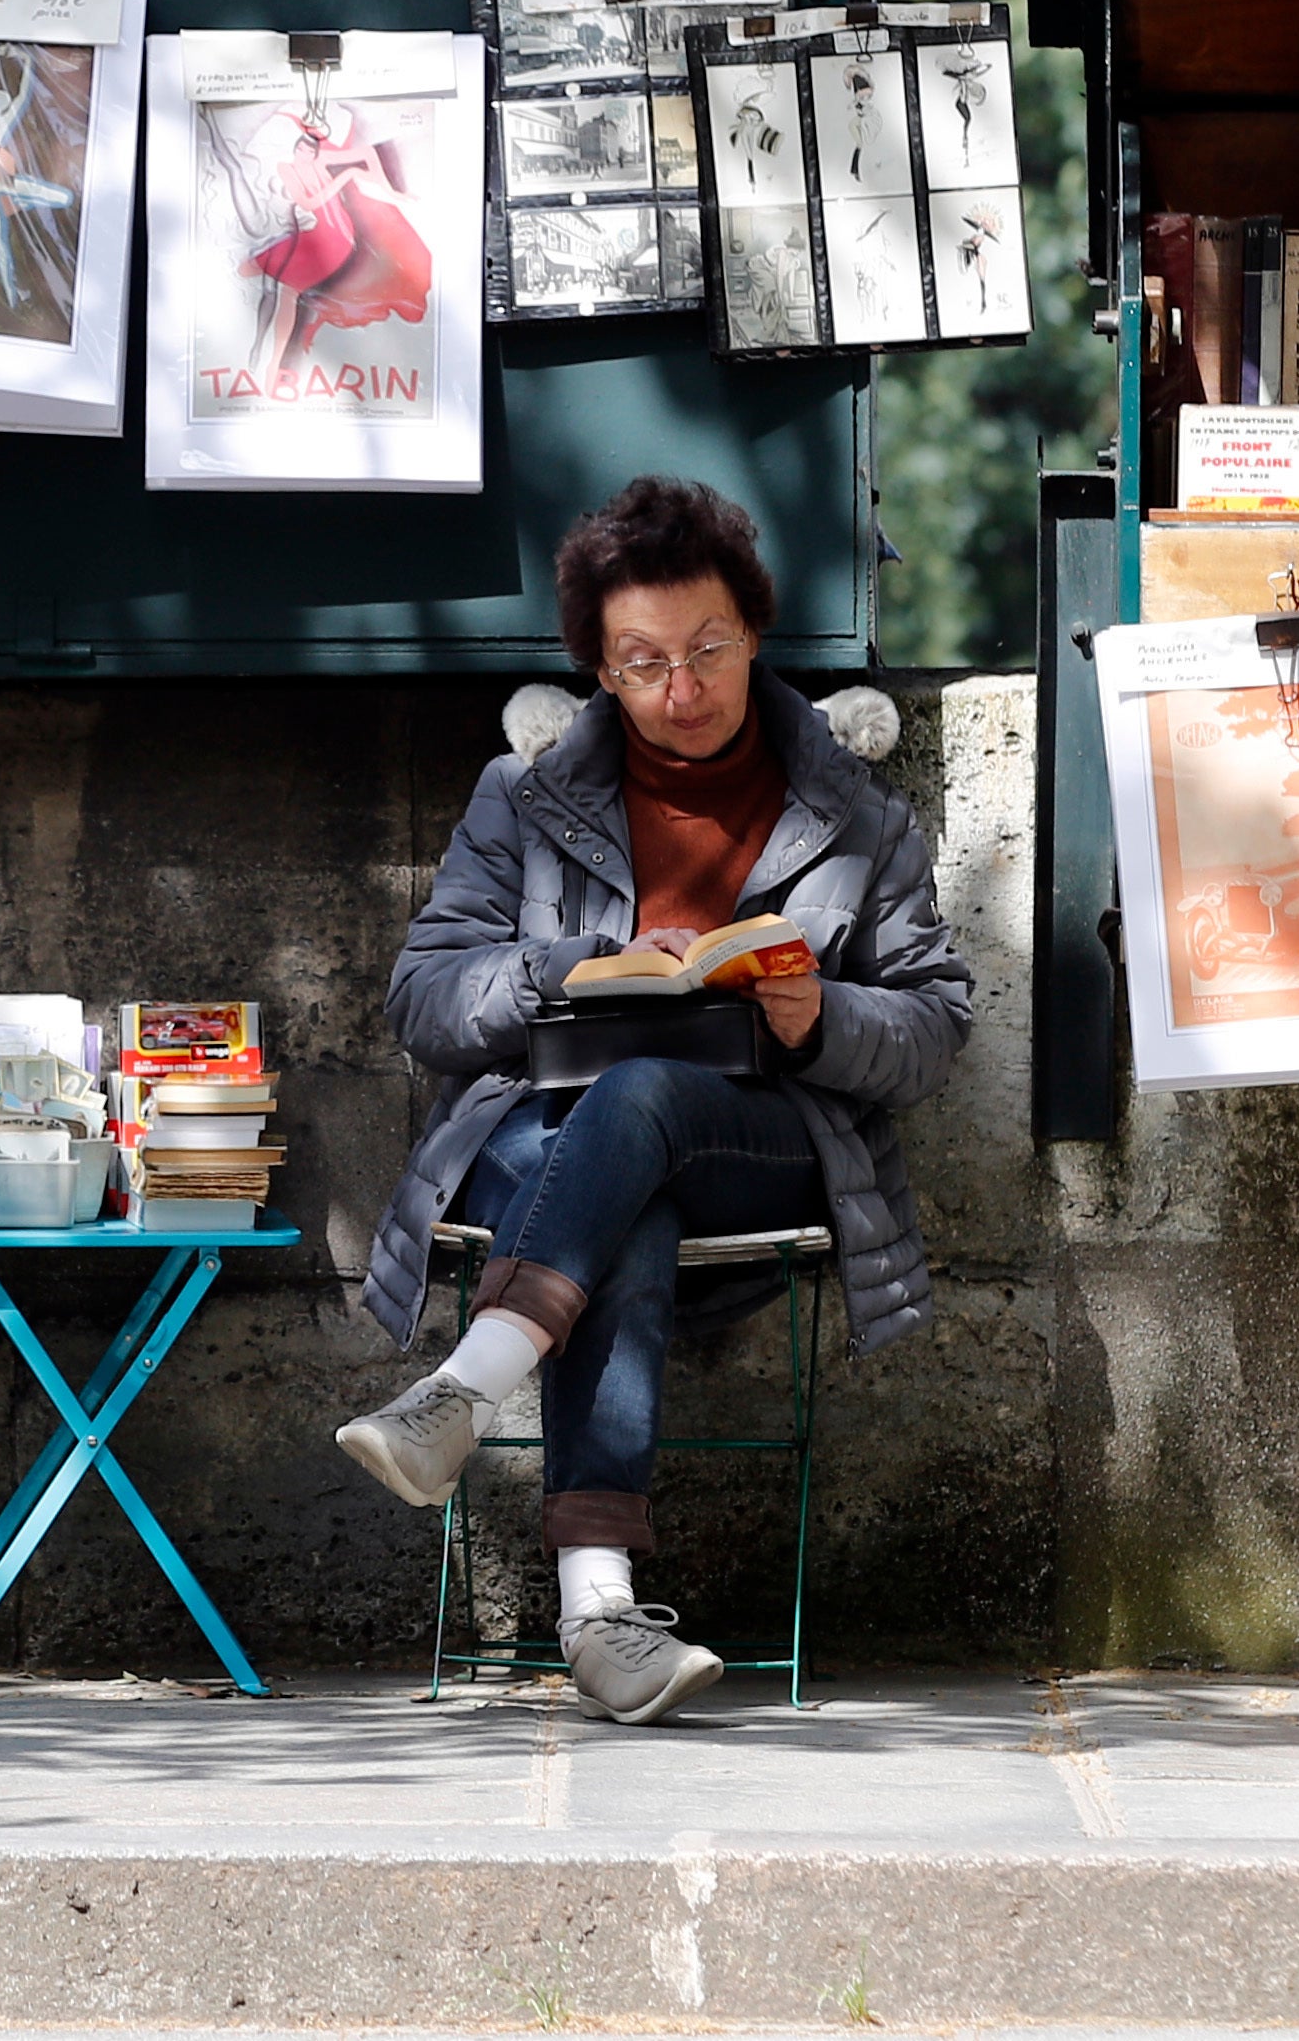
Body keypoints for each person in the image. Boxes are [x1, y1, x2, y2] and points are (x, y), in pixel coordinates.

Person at [336, 477, 970, 1725]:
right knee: (623, 1172)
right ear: (596, 671)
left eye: (707, 651)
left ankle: (464, 1389)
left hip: (765, 1135)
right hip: (550, 1138)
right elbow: (421, 999)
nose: (682, 691)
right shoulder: (519, 798)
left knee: (640, 1111)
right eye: (642, 664)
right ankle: (597, 1615)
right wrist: (549, 970)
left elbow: (936, 1022)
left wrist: (816, 1015)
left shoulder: (855, 811)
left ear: (753, 632)